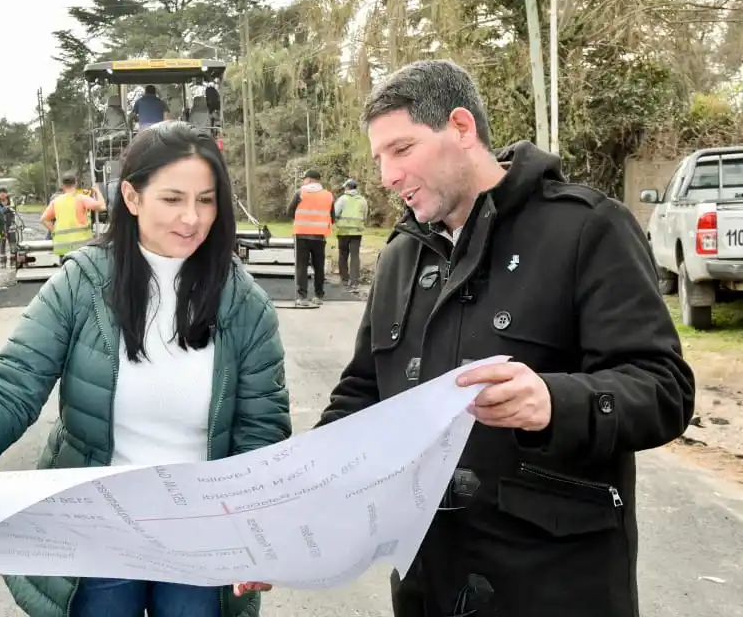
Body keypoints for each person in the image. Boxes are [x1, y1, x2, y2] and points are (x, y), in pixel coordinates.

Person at [315, 59, 695, 617]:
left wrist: (553, 401)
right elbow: (363, 394)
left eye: (401, 150)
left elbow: (664, 389)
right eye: (379, 159)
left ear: (462, 129)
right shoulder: (400, 256)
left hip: (554, 586)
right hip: (427, 587)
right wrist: (289, 504)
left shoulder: (589, 228)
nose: (387, 176)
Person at [0, 121, 289, 617]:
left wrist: (256, 528)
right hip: (99, 526)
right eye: (172, 199)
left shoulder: (245, 305)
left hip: (201, 534)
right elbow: (13, 381)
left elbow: (262, 430)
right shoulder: (81, 283)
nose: (192, 218)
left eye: (207, 200)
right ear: (131, 196)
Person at [286, 168, 335, 306]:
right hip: (320, 236)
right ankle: (319, 295)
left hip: (301, 234)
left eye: (305, 178)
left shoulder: (300, 193)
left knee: (301, 266)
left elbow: (290, 212)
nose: (303, 181)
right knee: (319, 266)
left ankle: (302, 298)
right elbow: (333, 217)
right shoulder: (328, 195)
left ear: (310, 180)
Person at [40, 175, 107, 256]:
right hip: (81, 249)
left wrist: (54, 231)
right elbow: (102, 207)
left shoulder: (55, 202)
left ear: (62, 185)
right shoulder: (82, 199)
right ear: (76, 183)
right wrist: (97, 191)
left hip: (62, 248)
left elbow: (43, 219)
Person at [333, 178, 369, 293]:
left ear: (347, 187)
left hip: (343, 232)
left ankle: (344, 279)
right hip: (357, 232)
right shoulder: (362, 200)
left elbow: (335, 213)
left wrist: (337, 222)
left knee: (343, 255)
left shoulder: (342, 199)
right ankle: (354, 282)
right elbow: (365, 215)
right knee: (355, 256)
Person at [0, 187, 18, 268]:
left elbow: (14, 211)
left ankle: (13, 261)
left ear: (6, 193)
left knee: (13, 244)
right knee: (2, 243)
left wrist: (8, 209)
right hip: (1, 226)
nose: (2, 194)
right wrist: (4, 209)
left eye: (4, 192)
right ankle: (2, 262)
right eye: (0, 192)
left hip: (11, 225)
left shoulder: (11, 201)